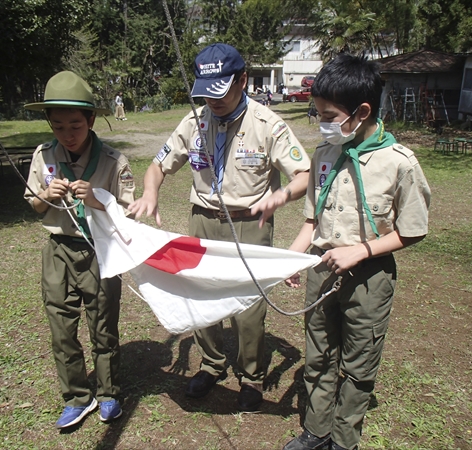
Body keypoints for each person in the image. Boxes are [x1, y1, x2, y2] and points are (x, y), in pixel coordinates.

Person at [128, 43, 310, 412]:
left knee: (249, 307)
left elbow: (304, 174)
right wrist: (150, 192)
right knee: (198, 294)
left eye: (221, 92)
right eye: (206, 93)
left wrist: (282, 195)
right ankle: (212, 364)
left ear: (242, 80)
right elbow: (159, 165)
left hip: (248, 225)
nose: (213, 101)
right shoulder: (194, 121)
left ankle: (252, 376)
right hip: (203, 220)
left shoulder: (267, 124)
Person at [282, 54, 431, 450]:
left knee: (357, 365)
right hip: (321, 270)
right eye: (318, 114)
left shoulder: (398, 163)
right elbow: (311, 222)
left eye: (328, 115)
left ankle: (344, 440)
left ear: (362, 112)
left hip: (370, 278)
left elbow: (412, 231)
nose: (321, 123)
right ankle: (317, 430)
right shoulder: (324, 155)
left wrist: (361, 251)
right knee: (317, 355)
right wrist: (293, 259)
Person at [23, 71, 135, 428]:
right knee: (61, 325)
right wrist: (46, 195)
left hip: (100, 250)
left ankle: (108, 393)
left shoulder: (113, 161)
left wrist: (98, 199)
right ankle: (76, 397)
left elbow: (128, 213)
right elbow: (34, 204)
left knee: (103, 324)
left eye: (75, 125)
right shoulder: (44, 156)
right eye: (58, 127)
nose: (67, 135)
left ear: (90, 120)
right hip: (58, 249)